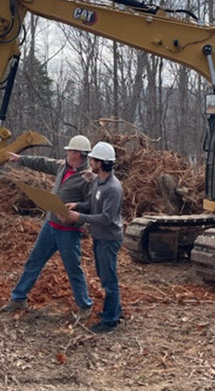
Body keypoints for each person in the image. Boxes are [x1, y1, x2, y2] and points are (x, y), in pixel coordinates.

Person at [0, 135, 94, 319]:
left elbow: (91, 205)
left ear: (79, 154)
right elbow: (43, 162)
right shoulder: (62, 166)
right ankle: (18, 298)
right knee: (34, 261)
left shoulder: (88, 177)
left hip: (69, 231)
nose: (67, 153)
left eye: (70, 151)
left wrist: (74, 214)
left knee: (73, 268)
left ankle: (85, 305)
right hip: (50, 226)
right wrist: (21, 159)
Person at [62, 141, 123, 334]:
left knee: (108, 280)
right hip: (100, 237)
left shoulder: (113, 188)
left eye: (92, 160)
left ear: (101, 162)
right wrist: (78, 205)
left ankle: (111, 320)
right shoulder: (98, 181)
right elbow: (92, 204)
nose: (90, 162)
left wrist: (78, 217)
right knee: (104, 275)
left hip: (109, 238)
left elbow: (106, 218)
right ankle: (114, 311)